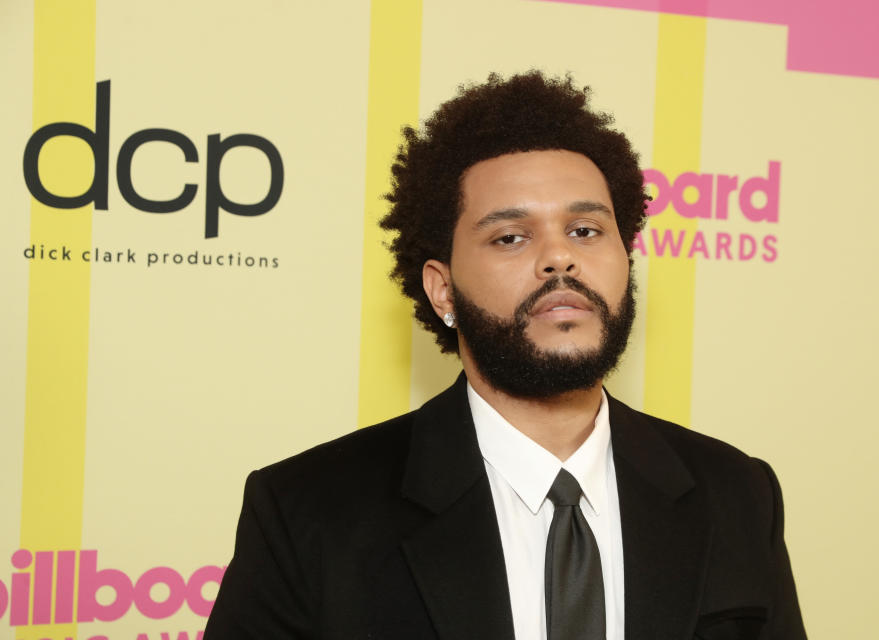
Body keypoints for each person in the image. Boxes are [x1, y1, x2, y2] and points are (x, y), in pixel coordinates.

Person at [205, 71, 806, 640]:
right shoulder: (307, 512)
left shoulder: (737, 494)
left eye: (586, 230)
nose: (559, 258)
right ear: (443, 289)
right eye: (510, 237)